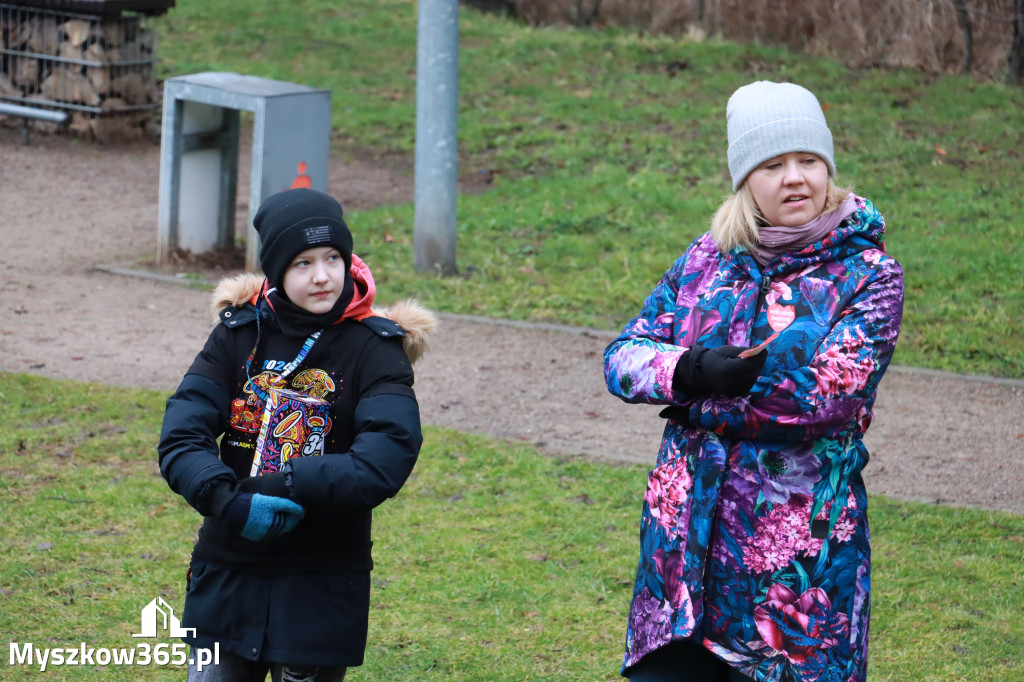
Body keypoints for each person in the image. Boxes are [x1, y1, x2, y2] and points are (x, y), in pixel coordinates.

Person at [603, 81, 904, 681]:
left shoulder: (870, 275)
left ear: (828, 168)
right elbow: (621, 358)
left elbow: (825, 397)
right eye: (773, 164)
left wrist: (697, 400)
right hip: (679, 560)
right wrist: (689, 369)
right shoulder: (707, 258)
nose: (795, 177)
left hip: (794, 567)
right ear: (746, 178)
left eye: (808, 161)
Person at [158, 188, 437, 681]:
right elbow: (182, 433)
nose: (324, 275)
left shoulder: (377, 348)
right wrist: (227, 500)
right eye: (303, 262)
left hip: (322, 578)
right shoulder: (238, 334)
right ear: (276, 271)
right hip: (228, 566)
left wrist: (284, 486)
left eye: (333, 257)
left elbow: (384, 460)